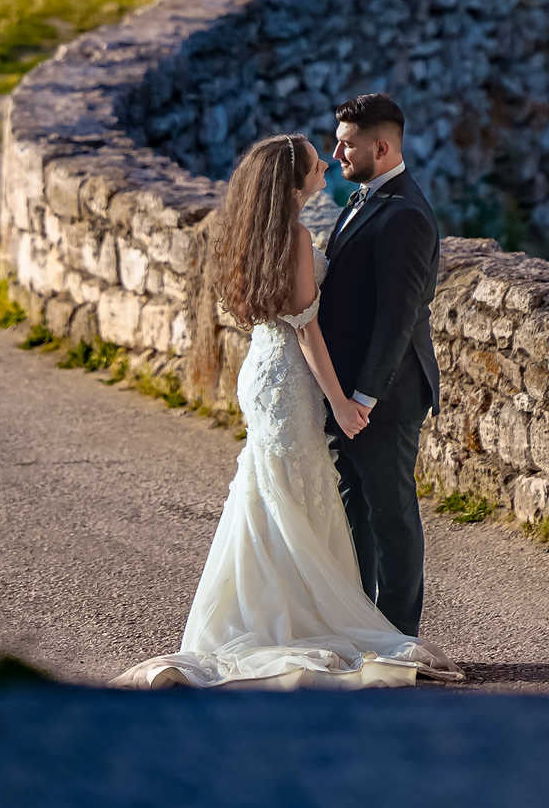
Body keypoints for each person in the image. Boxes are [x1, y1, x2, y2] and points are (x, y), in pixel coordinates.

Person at [116, 130, 442, 691]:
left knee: (272, 491)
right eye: (317, 165)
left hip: (262, 371)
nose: (328, 169)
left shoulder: (254, 232)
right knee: (293, 491)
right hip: (291, 377)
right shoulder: (291, 237)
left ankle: (268, 612)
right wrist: (342, 402)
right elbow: (308, 327)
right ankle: (301, 620)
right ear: (295, 183)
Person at [318, 90, 442, 640]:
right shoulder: (362, 197)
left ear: (383, 146)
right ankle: (359, 625)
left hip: (385, 394)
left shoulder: (406, 216)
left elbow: (398, 317)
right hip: (349, 392)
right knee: (354, 508)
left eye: (347, 145)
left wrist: (363, 397)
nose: (336, 154)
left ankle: (398, 636)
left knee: (391, 512)